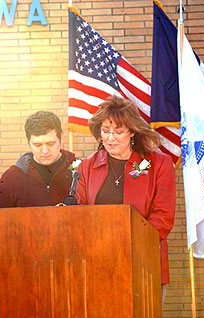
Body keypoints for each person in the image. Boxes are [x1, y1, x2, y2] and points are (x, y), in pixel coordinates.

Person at [75, 95, 176, 298]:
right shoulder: (87, 166)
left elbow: (163, 217)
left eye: (118, 132)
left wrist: (127, 246)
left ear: (132, 133)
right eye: (105, 131)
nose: (110, 138)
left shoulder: (159, 164)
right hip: (99, 264)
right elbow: (80, 214)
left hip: (143, 264)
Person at [0, 111, 76, 208]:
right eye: (37, 145)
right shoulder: (12, 177)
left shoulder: (82, 171)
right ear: (28, 142)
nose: (45, 151)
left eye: (50, 144)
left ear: (61, 137)